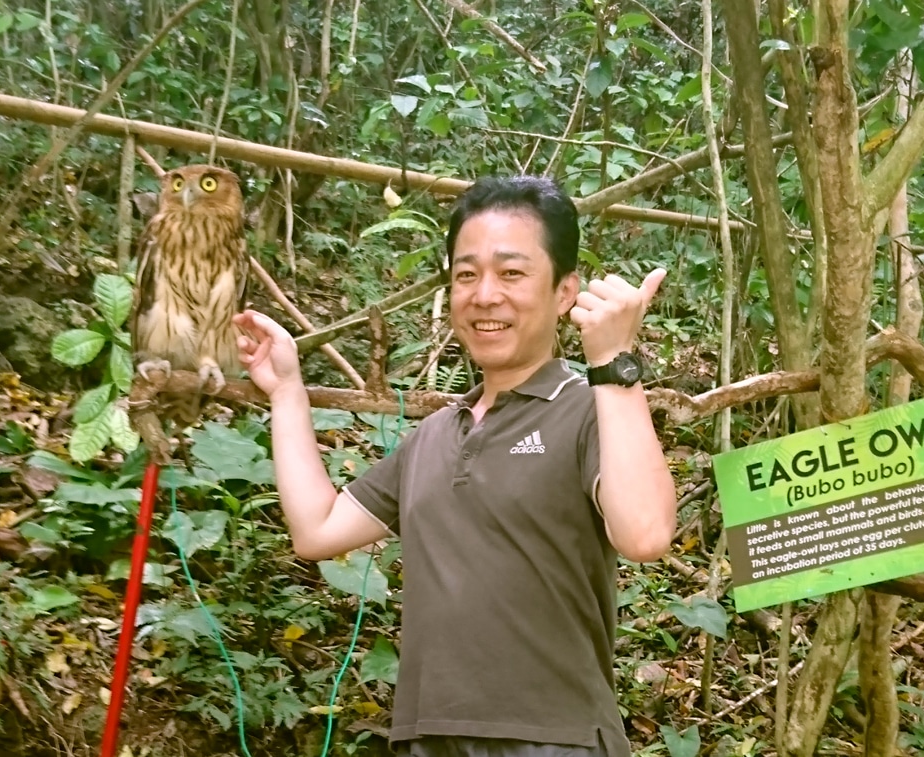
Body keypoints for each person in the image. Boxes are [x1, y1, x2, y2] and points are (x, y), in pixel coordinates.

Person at [232, 175, 677, 757]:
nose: (484, 295)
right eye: (467, 274)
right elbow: (317, 529)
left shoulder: (590, 411)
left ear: (564, 291)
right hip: (428, 737)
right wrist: (287, 391)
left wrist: (614, 363)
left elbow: (645, 534)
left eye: (512, 273)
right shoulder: (435, 435)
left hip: (556, 741)